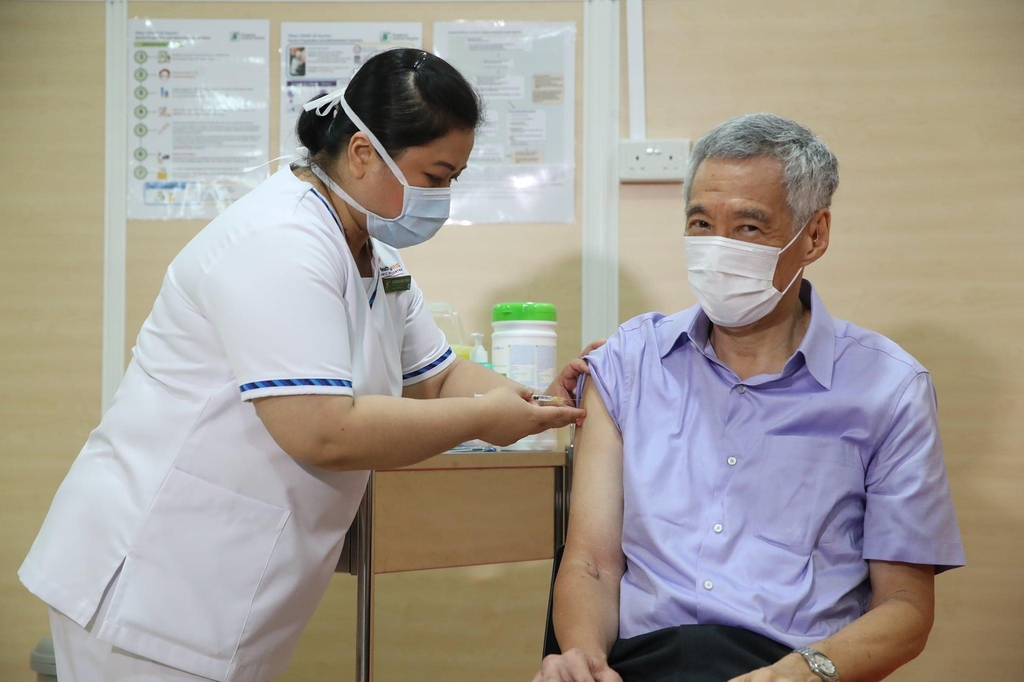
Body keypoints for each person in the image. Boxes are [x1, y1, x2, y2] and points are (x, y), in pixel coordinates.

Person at [21, 48, 589, 682]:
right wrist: (484, 419)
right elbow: (323, 428)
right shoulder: (280, 242)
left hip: (227, 584)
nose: (442, 197)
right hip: (153, 580)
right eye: (435, 176)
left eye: (453, 177)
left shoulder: (374, 253)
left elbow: (437, 378)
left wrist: (538, 404)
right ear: (363, 152)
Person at [533, 114, 964, 682]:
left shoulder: (890, 390)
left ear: (814, 235)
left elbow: (905, 610)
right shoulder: (627, 364)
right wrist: (584, 660)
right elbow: (590, 563)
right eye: (701, 223)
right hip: (638, 664)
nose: (718, 248)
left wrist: (797, 675)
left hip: (789, 666)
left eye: (749, 229)